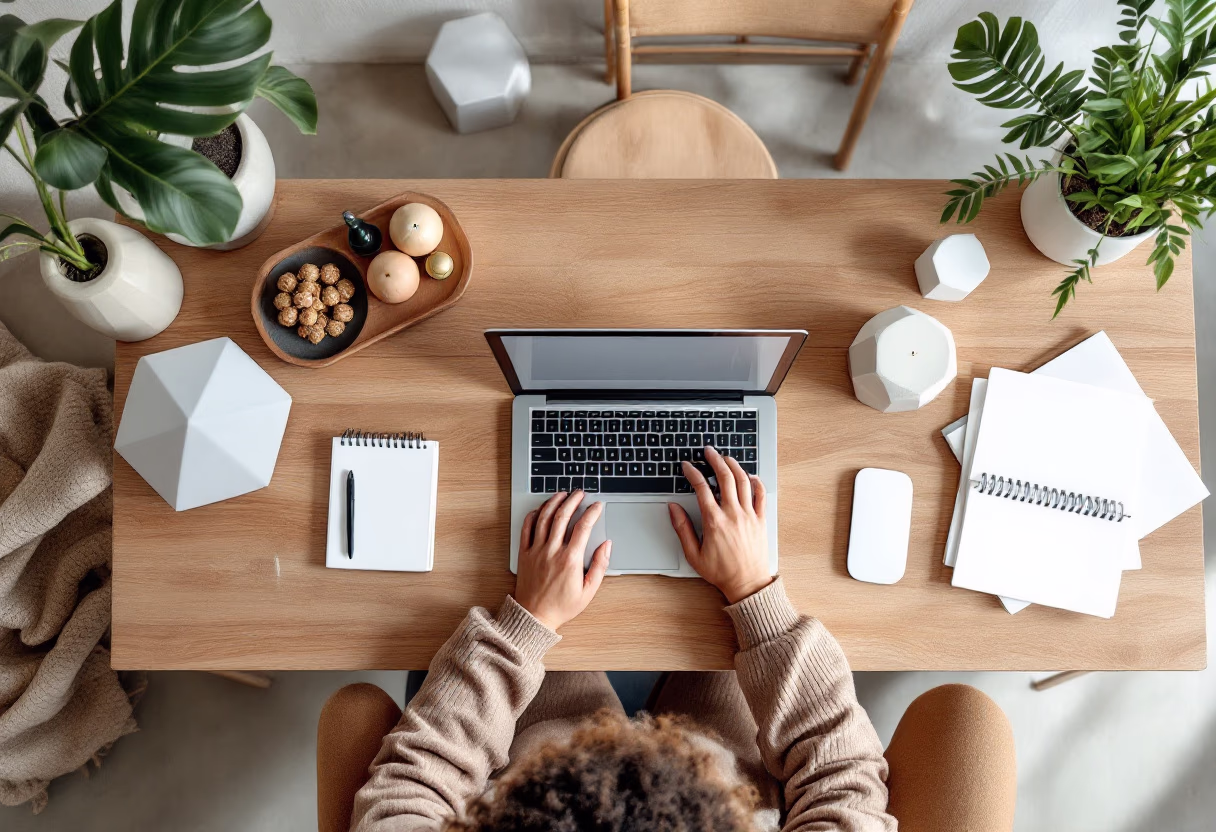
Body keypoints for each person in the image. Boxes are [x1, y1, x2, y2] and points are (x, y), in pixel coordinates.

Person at [318, 447, 1017, 832]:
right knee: (727, 640)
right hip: (727, 760)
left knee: (522, 557)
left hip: (543, 743)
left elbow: (411, 787)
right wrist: (756, 595)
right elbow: (839, 778)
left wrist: (524, 626)